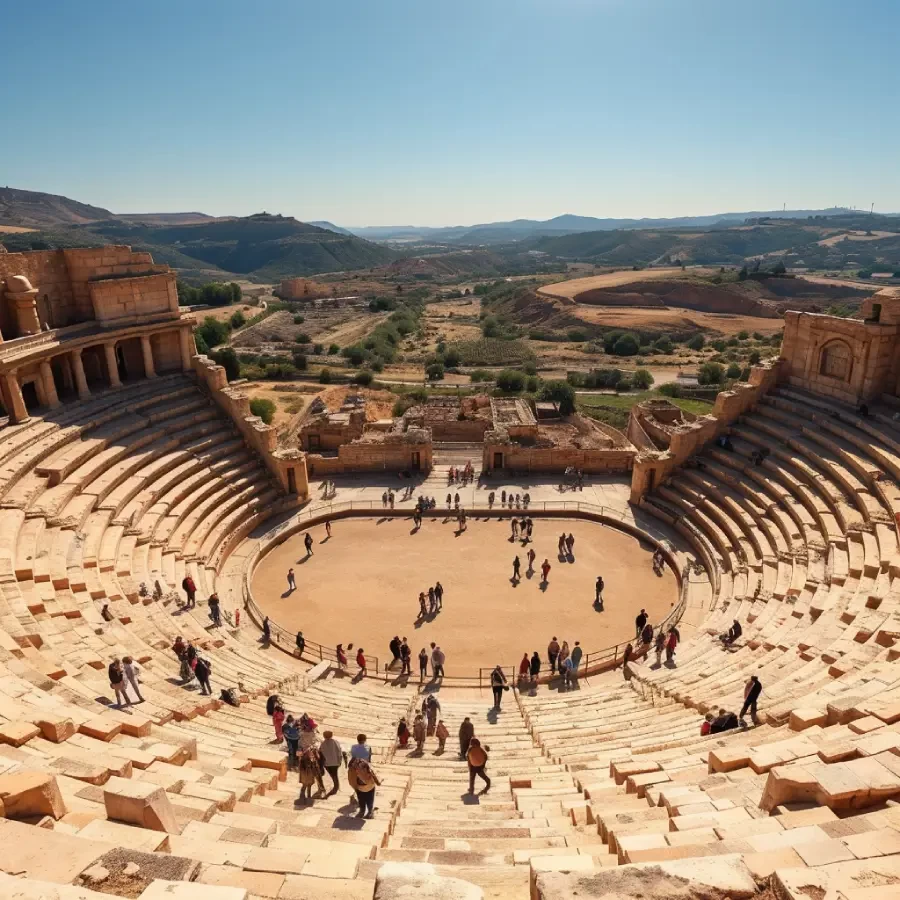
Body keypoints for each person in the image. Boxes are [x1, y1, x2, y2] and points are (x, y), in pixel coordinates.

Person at [319, 730, 345, 795]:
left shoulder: (322, 743)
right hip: (335, 762)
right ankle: (336, 786)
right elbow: (339, 751)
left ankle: (336, 786)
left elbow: (320, 752)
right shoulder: (335, 742)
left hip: (327, 763)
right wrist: (340, 760)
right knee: (335, 774)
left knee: (332, 774)